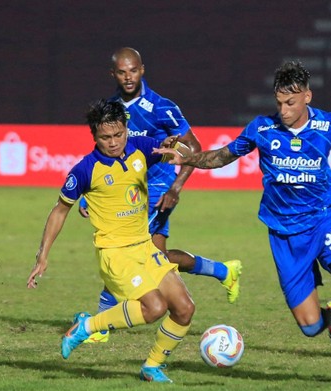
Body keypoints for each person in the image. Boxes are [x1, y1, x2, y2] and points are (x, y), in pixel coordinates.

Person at [155, 60, 331, 390]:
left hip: (322, 222)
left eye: (291, 102)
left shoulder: (329, 124)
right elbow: (223, 156)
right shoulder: (262, 129)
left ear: (307, 97)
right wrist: (189, 158)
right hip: (285, 236)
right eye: (280, 103)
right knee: (309, 326)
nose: (284, 110)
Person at [27, 99, 196, 383]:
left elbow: (184, 155)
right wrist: (42, 255)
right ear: (94, 136)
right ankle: (87, 326)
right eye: (105, 137)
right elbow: (59, 211)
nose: (114, 142)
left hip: (144, 246)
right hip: (115, 253)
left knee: (184, 308)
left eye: (119, 134)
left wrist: (175, 146)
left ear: (126, 129)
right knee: (154, 308)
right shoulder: (85, 169)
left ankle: (152, 367)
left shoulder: (141, 148)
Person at [80, 47, 241, 343]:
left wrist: (175, 188)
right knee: (158, 258)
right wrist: (89, 194)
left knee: (128, 250)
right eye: (121, 72)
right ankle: (222, 271)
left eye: (133, 70)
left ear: (143, 69)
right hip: (127, 192)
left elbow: (193, 148)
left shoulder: (161, 107)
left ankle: (99, 326)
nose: (128, 77)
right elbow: (102, 156)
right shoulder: (112, 108)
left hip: (156, 192)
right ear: (113, 74)